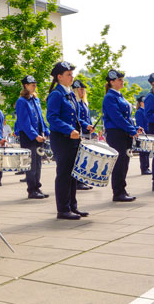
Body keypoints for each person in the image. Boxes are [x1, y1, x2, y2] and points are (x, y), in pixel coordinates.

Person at [46, 62, 93, 220]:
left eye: (72, 74)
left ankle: (73, 206)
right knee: (64, 174)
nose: (72, 77)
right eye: (68, 74)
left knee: (74, 174)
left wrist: (86, 126)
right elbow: (52, 118)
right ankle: (63, 209)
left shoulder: (70, 94)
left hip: (73, 139)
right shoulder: (56, 94)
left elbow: (76, 117)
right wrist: (69, 130)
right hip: (62, 139)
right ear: (59, 77)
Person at [102, 70, 142, 202]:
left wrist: (134, 128)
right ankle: (118, 192)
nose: (122, 81)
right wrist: (131, 130)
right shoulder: (110, 97)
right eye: (119, 80)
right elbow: (117, 117)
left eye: (122, 79)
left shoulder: (119, 96)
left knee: (124, 162)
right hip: (116, 133)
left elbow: (127, 117)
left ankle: (122, 190)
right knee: (119, 163)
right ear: (111, 82)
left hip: (123, 132)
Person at [15, 76, 50, 198]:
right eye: (31, 84)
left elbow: (41, 118)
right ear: (25, 85)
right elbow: (24, 122)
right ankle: (31, 190)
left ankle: (37, 187)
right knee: (31, 164)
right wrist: (35, 136)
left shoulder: (36, 100)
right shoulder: (21, 101)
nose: (34, 85)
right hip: (29, 136)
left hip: (38, 136)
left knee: (38, 163)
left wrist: (45, 131)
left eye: (35, 83)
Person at [72, 79, 94, 190]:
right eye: (80, 89)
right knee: (79, 158)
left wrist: (91, 126)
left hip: (85, 132)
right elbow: (78, 118)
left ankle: (82, 181)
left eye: (83, 90)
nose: (82, 92)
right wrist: (86, 125)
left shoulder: (83, 102)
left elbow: (87, 118)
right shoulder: (76, 102)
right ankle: (78, 182)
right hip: (80, 131)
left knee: (84, 158)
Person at [135, 95, 151, 175]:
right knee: (143, 152)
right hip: (143, 134)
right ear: (141, 103)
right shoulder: (139, 112)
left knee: (147, 151)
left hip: (147, 133)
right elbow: (140, 124)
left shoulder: (145, 111)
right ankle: (144, 168)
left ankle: (147, 167)